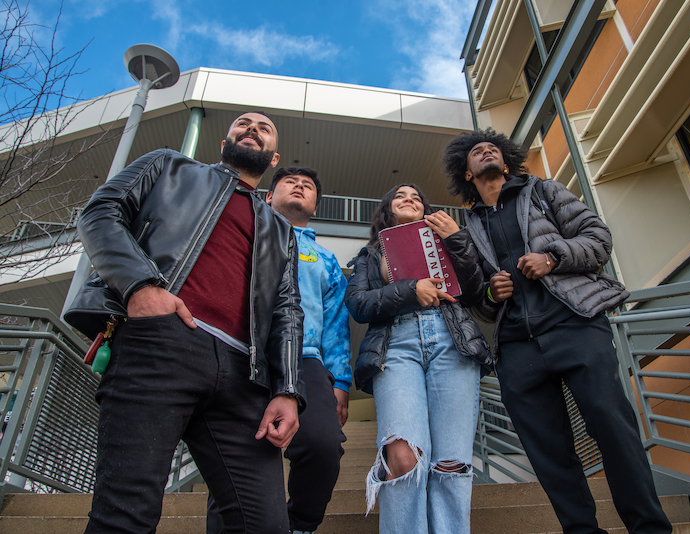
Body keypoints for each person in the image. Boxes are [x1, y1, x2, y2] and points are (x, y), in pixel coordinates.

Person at [64, 111, 305, 534]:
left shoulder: (280, 230)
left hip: (244, 376)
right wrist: (139, 286)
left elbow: (286, 309)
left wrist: (287, 389)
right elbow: (100, 212)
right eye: (243, 123)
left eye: (264, 128)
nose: (252, 128)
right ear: (224, 141)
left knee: (266, 525)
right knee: (126, 515)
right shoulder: (168, 165)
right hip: (160, 343)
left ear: (273, 158)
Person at [442, 128, 673, 534]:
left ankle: (650, 528)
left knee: (612, 428)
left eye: (492, 147)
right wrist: (494, 295)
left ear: (507, 160)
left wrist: (553, 257)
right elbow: (476, 300)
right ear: (466, 173)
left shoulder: (544, 191)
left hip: (576, 324)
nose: (485, 151)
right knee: (547, 451)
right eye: (476, 151)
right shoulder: (469, 226)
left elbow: (599, 239)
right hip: (516, 346)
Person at [206, 166, 352, 534]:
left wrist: (342, 382)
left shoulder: (325, 258)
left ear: (315, 206)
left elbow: (336, 322)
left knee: (323, 445)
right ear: (268, 196)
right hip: (242, 353)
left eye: (308, 186)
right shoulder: (245, 232)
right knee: (237, 452)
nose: (300, 186)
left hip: (307, 360)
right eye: (291, 182)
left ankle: (298, 524)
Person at [344, 184, 492, 534]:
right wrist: (412, 290)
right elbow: (358, 305)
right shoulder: (369, 254)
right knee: (402, 458)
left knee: (451, 464)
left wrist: (457, 239)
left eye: (416, 197)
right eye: (400, 196)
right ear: (386, 210)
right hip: (396, 345)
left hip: (450, 341)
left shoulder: (447, 238)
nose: (409, 199)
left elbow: (473, 291)